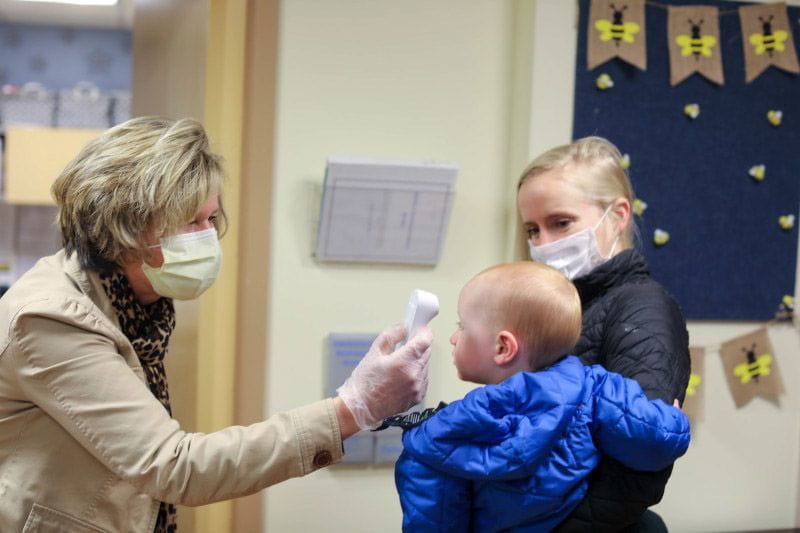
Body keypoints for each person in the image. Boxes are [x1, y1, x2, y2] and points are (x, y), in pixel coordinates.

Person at [0, 117, 432, 533]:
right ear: (123, 229)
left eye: (210, 219)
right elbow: (174, 466)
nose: (207, 237)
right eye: (191, 222)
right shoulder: (50, 319)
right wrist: (353, 408)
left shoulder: (134, 304)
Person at [392, 262, 690, 532]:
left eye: (462, 327)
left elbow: (434, 521)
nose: (454, 338)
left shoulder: (438, 437)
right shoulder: (596, 388)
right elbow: (652, 437)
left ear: (502, 348)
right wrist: (672, 420)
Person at [516, 136, 692, 531]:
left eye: (561, 223)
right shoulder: (559, 307)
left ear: (618, 215)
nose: (543, 243)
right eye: (532, 230)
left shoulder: (642, 308)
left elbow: (637, 468)